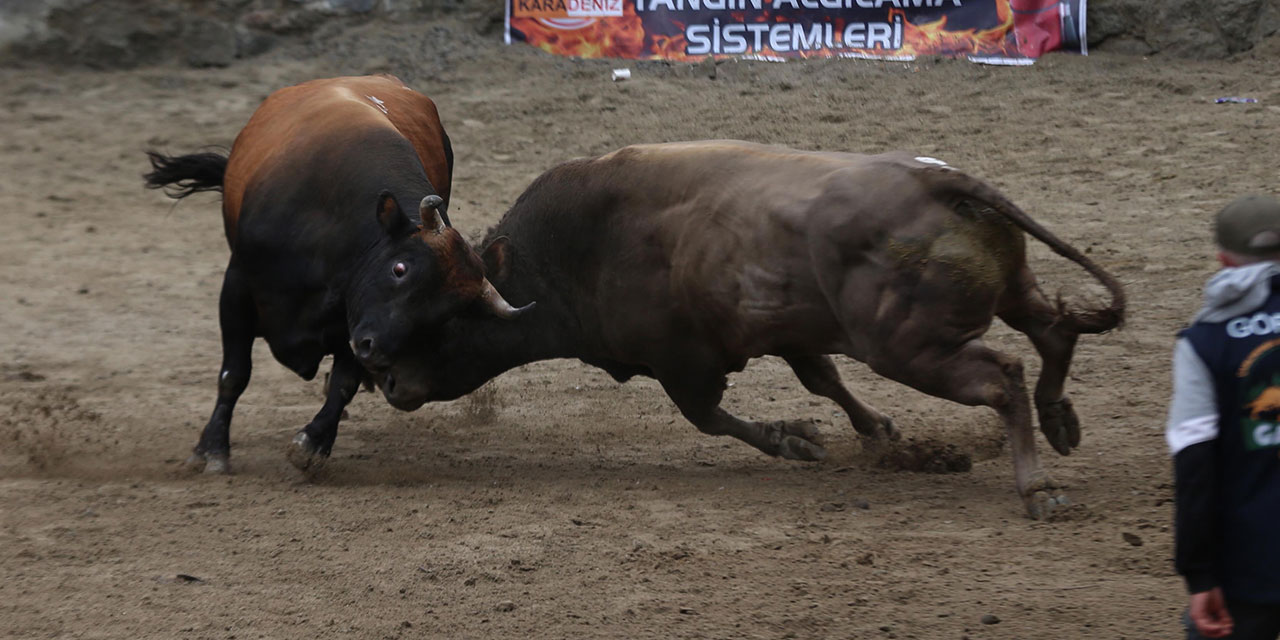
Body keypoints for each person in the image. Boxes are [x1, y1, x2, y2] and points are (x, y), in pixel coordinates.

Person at [1167, 194, 1280, 640]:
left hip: (1249, 560)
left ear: (1223, 260)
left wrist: (1199, 574)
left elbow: (1194, 464)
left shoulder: (1203, 341)